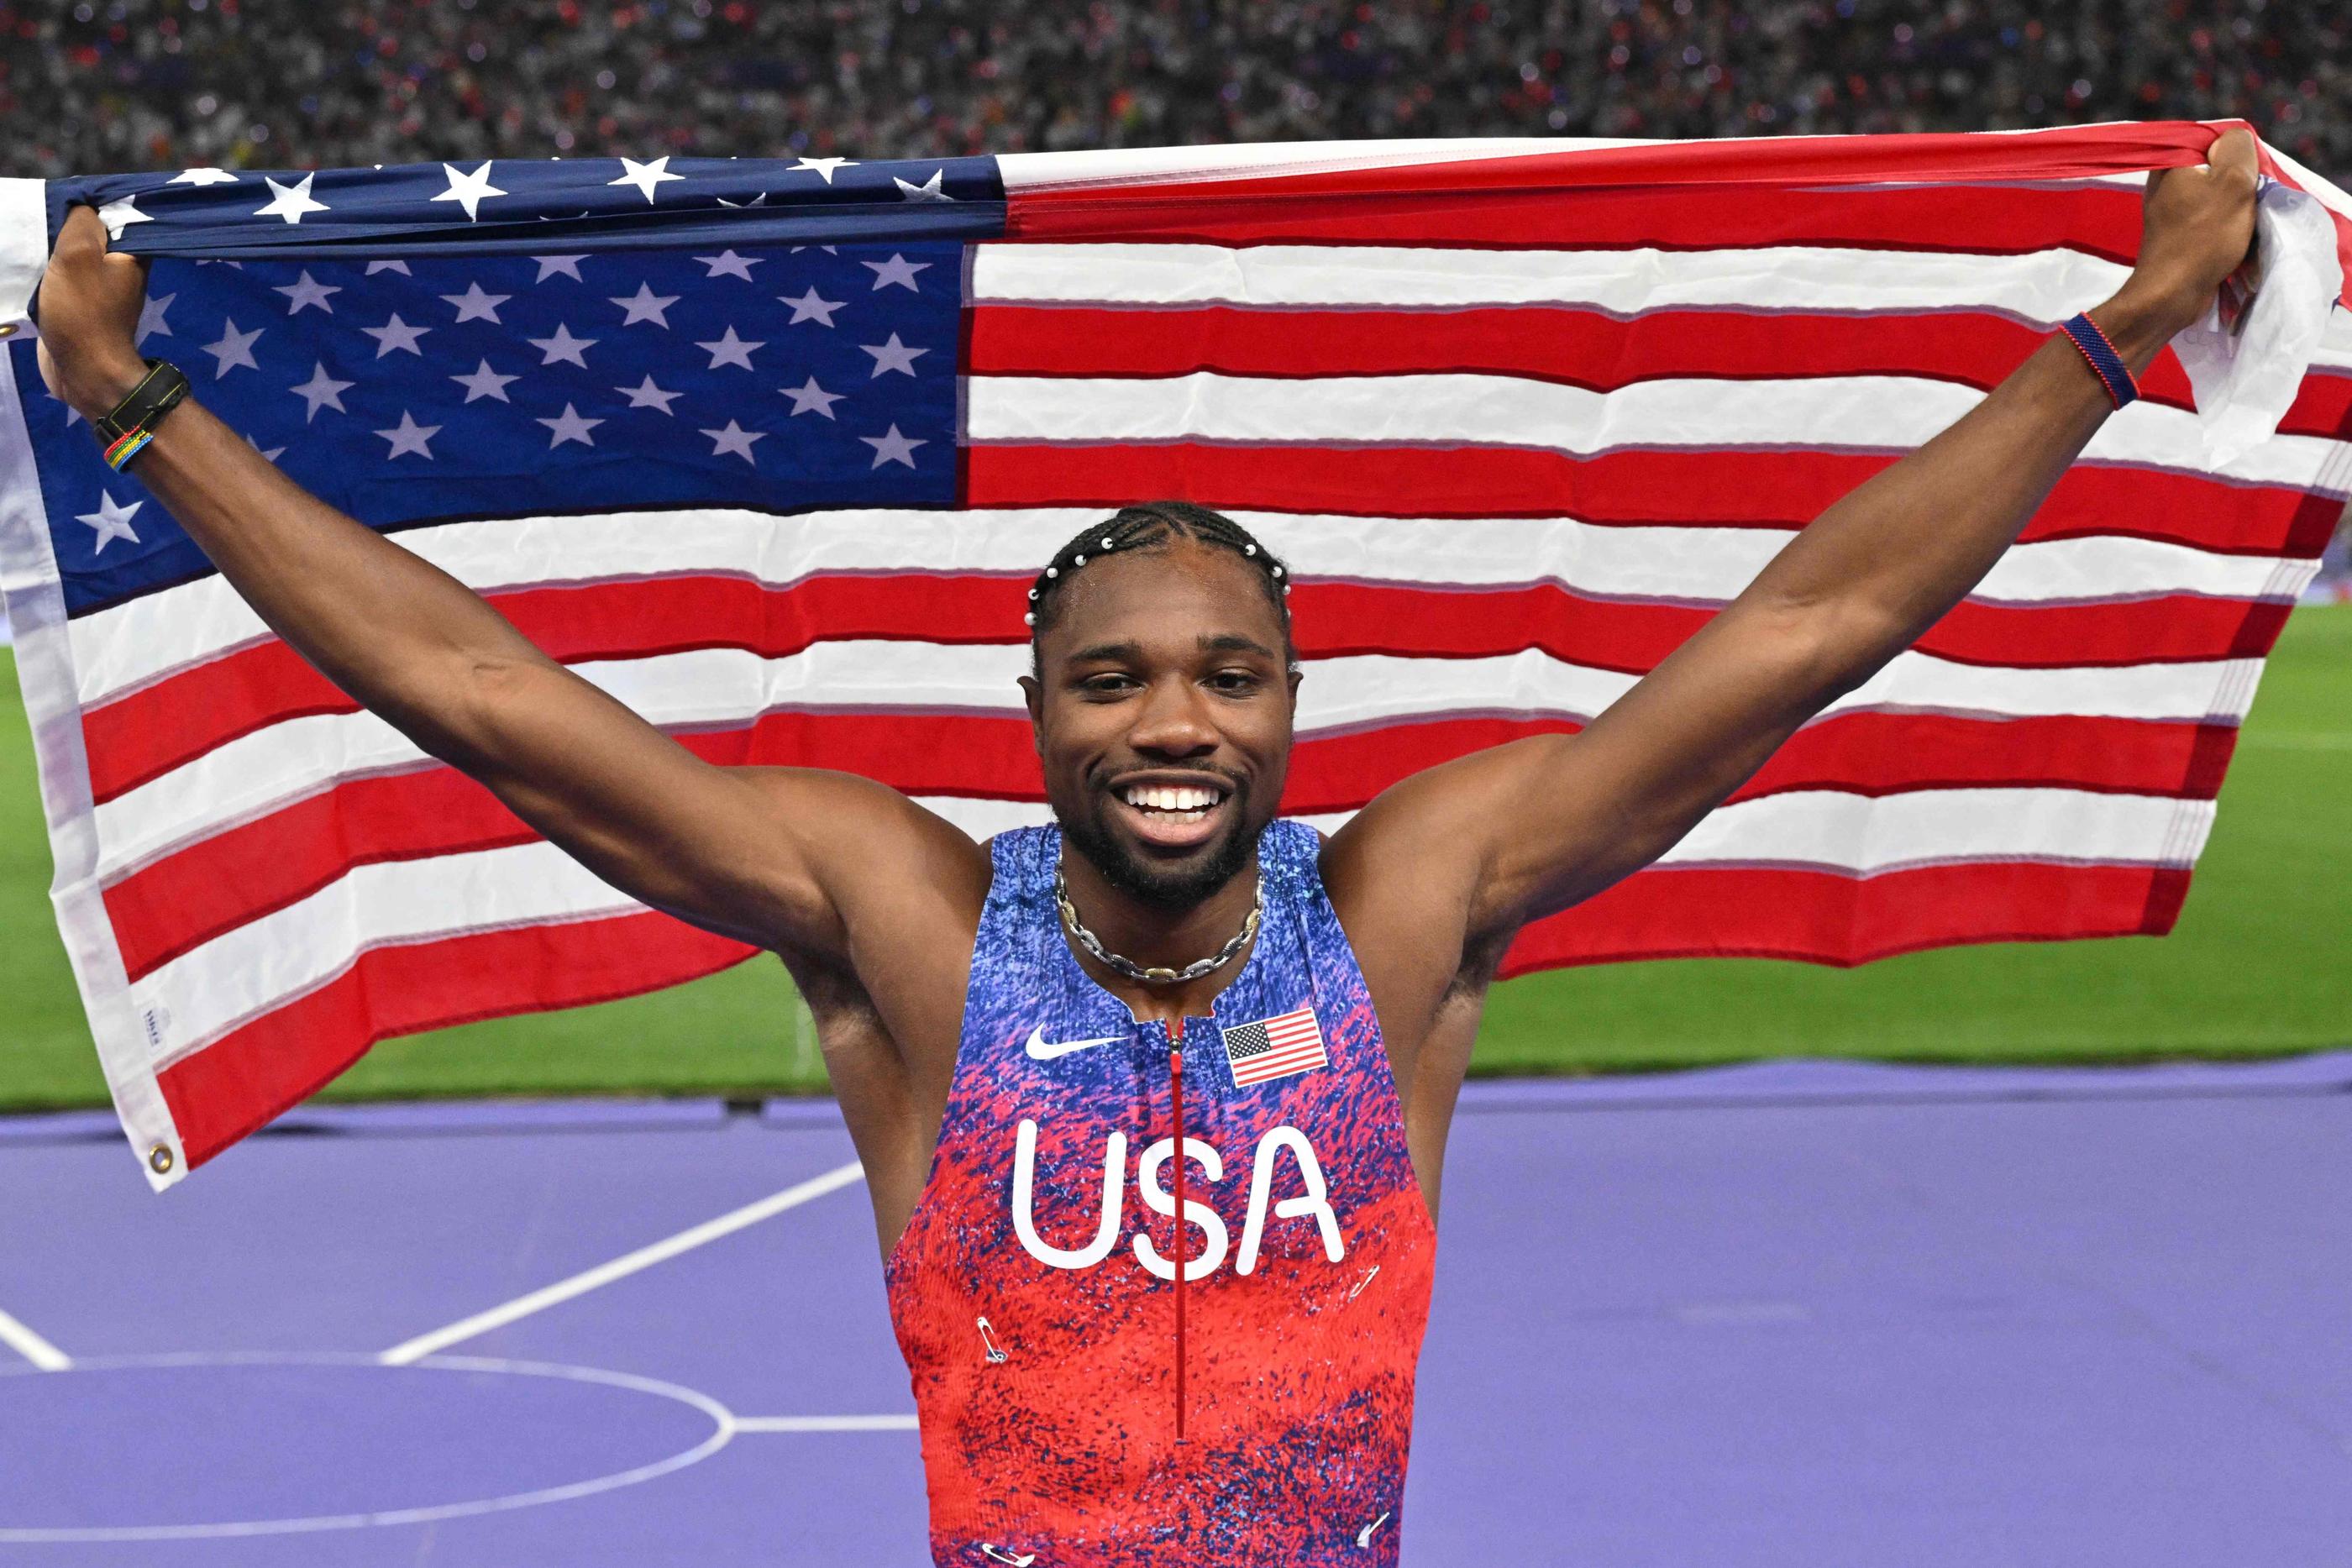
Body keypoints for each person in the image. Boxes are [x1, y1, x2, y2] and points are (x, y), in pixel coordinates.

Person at [32, 129, 2259, 1566]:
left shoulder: (1407, 906)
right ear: (1040, 715)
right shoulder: (903, 919)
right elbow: (493, 702)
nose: (1175, 718)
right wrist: (145, 415)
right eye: (1115, 679)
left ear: (1290, 709)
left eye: (1226, 672)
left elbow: (1809, 625)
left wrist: (2117, 332)